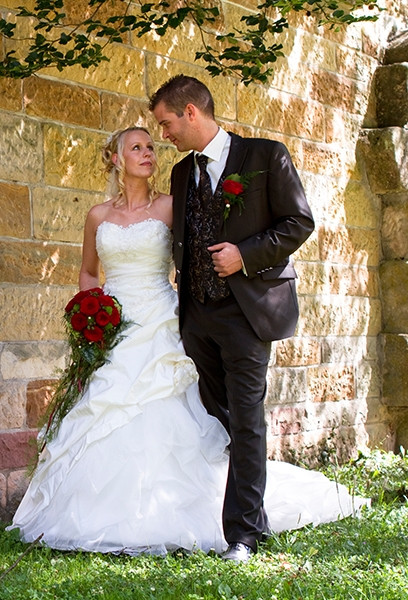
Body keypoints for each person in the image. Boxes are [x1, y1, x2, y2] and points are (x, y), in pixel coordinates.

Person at [7, 126, 367, 557]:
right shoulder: (98, 216)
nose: (148, 153)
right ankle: (100, 512)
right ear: (116, 160)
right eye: (137, 147)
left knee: (172, 407)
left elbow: (195, 252)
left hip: (162, 318)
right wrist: (91, 313)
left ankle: (225, 515)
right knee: (107, 406)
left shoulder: (171, 206)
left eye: (152, 147)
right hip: (115, 325)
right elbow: (89, 272)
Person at [149, 75, 317, 562]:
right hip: (196, 315)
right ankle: (241, 504)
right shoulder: (183, 174)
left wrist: (245, 254)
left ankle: (243, 534)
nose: (164, 135)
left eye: (166, 124)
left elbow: (299, 222)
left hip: (247, 312)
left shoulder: (266, 156)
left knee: (245, 419)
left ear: (191, 113)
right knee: (214, 418)